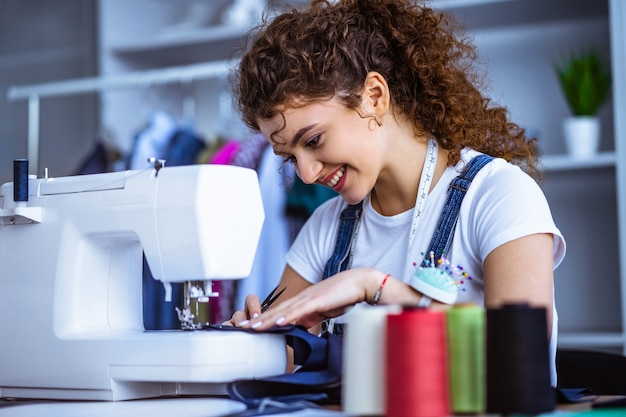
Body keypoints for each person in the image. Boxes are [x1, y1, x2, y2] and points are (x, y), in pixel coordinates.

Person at [225, 0, 566, 385]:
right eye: (289, 157)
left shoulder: (499, 197)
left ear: (374, 96)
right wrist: (254, 344)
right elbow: (281, 360)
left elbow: (519, 364)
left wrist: (374, 287)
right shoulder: (326, 228)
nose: (305, 174)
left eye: (315, 140)